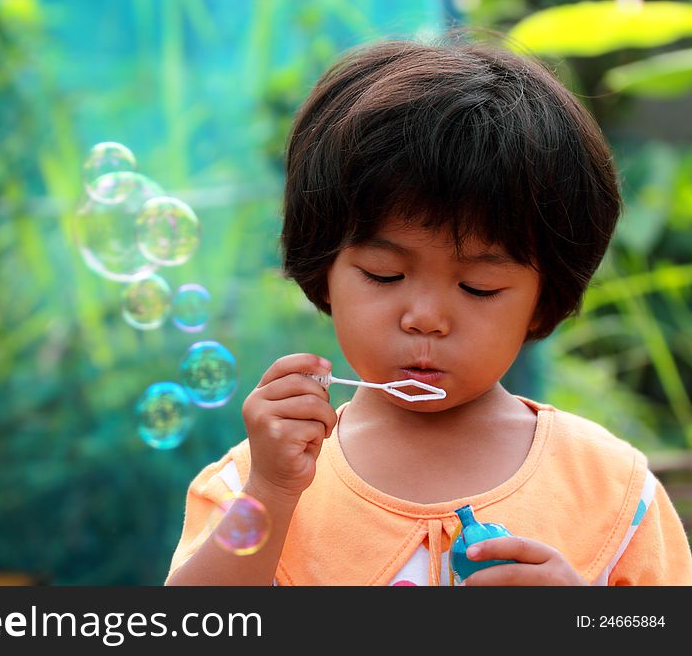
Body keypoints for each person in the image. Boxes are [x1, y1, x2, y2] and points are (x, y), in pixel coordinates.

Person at [164, 36, 692, 586]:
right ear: (323, 267)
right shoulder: (257, 480)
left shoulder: (609, 487)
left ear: (544, 298)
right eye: (384, 275)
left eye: (479, 287)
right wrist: (271, 494)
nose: (425, 318)